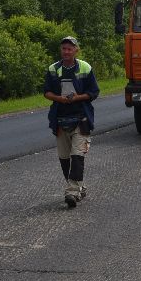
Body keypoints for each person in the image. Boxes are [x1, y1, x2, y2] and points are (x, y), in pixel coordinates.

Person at [44, 36, 99, 208]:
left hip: (81, 119)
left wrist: (77, 97)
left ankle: (72, 192)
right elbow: (46, 92)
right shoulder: (53, 69)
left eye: (70, 49)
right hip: (60, 120)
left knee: (77, 156)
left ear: (76, 50)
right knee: (64, 159)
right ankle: (79, 187)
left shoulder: (85, 67)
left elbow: (94, 92)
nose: (66, 51)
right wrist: (59, 98)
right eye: (64, 49)